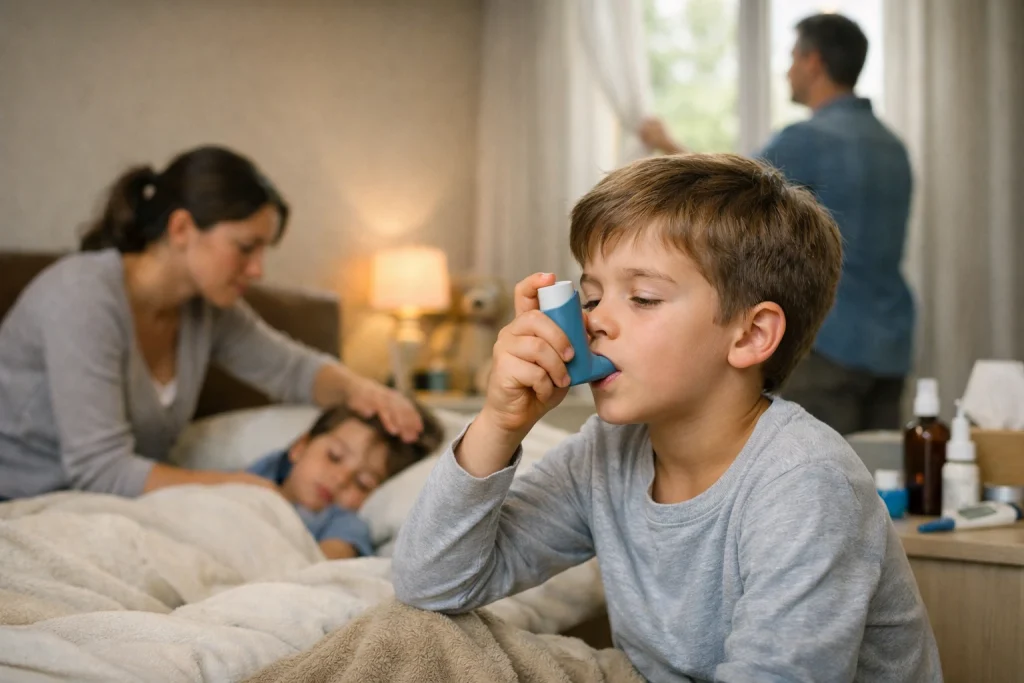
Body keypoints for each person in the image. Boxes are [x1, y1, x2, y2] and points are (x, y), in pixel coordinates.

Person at [392, 154, 941, 681]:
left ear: (750, 335)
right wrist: (500, 422)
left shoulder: (805, 483)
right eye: (590, 297)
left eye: (644, 298)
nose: (595, 323)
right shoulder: (607, 451)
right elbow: (430, 584)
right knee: (408, 636)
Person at [0, 145, 423, 501]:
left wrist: (363, 390)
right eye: (245, 248)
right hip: (22, 500)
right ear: (182, 227)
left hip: (107, 509)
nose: (257, 270)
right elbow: (99, 471)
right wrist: (251, 490)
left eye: (263, 251)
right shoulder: (82, 296)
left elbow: (291, 370)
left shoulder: (205, 309)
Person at [639, 13, 915, 435]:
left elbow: (727, 192)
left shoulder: (805, 139)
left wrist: (667, 146)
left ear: (813, 62)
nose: (786, 70)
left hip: (830, 344)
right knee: (878, 480)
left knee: (814, 478)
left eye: (791, 57)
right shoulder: (893, 146)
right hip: (892, 341)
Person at [247, 400, 444, 559]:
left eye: (363, 483)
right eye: (334, 456)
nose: (341, 479)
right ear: (300, 447)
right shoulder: (269, 468)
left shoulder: (342, 521)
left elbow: (323, 565)